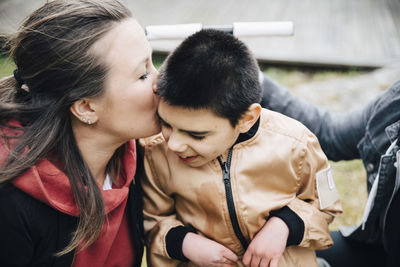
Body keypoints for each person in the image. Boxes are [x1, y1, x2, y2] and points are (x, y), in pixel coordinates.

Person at [140, 29, 342, 267]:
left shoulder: (297, 143)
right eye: (166, 124)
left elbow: (326, 204)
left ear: (247, 118)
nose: (173, 144)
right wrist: (185, 243)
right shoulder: (156, 153)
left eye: (196, 135)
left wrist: (285, 225)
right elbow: (151, 220)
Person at [0, 0, 160, 266]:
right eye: (143, 75)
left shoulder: (150, 153)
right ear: (86, 108)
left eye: (153, 62)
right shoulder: (11, 204)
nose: (161, 81)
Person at [260, 73, 400, 267]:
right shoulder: (395, 104)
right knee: (271, 257)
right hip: (382, 251)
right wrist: (254, 80)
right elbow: (330, 133)